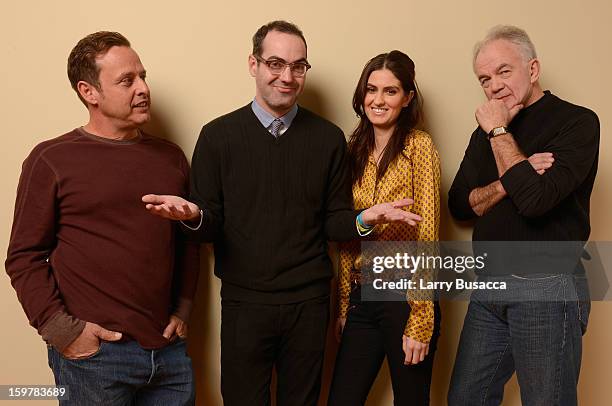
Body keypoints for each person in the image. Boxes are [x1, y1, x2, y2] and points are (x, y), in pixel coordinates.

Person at [142, 21, 422, 406]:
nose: (287, 76)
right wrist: (192, 216)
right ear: (253, 64)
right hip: (245, 305)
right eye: (275, 63)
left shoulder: (328, 139)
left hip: (308, 305)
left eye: (298, 66)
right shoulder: (217, 137)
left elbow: (334, 221)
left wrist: (365, 218)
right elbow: (208, 230)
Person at [5, 31, 199, 405]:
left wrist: (183, 308)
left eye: (143, 76)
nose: (142, 88)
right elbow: (23, 257)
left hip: (169, 354)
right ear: (89, 92)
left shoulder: (171, 157)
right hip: (97, 360)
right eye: (127, 80)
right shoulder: (51, 160)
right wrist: (64, 332)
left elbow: (187, 241)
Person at [447, 25, 599, 405]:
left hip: (546, 285)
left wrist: (498, 130)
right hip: (489, 285)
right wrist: (508, 180)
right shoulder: (482, 133)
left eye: (503, 71)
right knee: (467, 398)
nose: (494, 86)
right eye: (484, 79)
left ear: (532, 69)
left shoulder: (577, 122)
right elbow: (460, 205)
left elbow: (535, 201)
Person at [327, 50, 441, 406]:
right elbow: (347, 235)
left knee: (410, 399)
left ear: (407, 98)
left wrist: (422, 317)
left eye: (390, 91)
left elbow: (429, 234)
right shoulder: (352, 151)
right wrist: (345, 305)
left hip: (406, 295)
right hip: (363, 295)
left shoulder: (418, 147)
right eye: (371, 89)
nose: (378, 100)